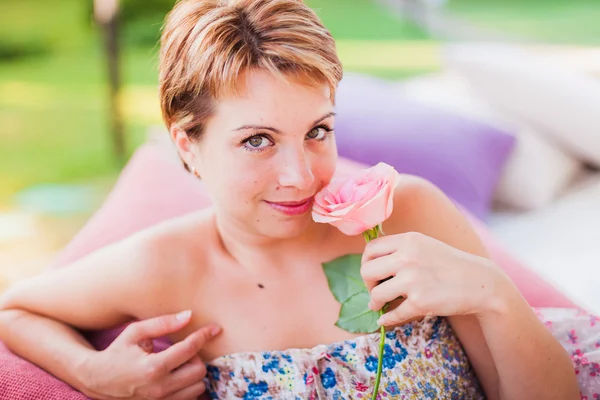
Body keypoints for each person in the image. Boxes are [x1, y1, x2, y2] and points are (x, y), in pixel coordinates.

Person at [0, 0, 579, 399]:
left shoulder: (408, 213)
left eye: (318, 131)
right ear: (189, 145)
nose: (301, 177)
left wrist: (495, 295)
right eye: (257, 141)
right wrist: (93, 373)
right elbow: (15, 311)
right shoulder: (164, 267)